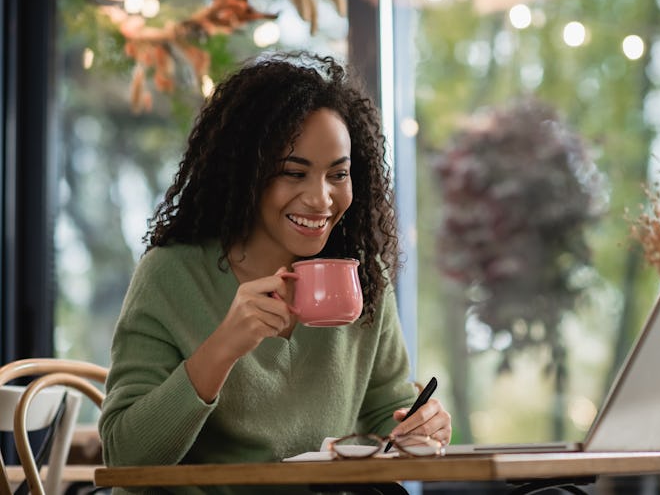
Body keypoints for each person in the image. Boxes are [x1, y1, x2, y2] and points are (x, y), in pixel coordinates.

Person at [98, 51, 452, 494]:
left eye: (337, 174)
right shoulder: (173, 274)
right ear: (246, 175)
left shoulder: (362, 278)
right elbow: (125, 453)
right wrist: (224, 346)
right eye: (293, 172)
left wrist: (420, 427)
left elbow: (389, 412)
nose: (321, 199)